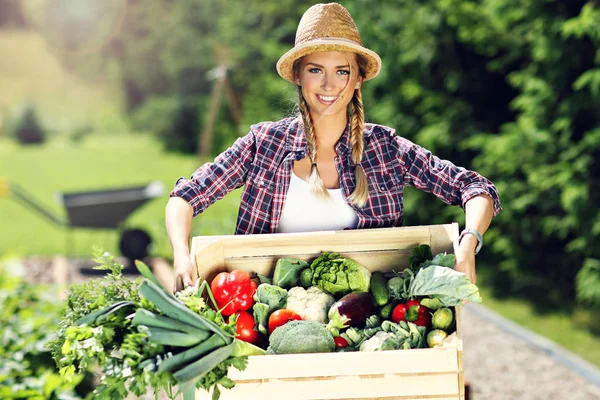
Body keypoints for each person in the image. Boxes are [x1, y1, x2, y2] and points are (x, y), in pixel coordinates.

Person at [166, 2, 501, 293]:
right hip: (264, 329)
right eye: (316, 70)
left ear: (357, 79)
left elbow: (476, 188)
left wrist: (468, 245)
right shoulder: (263, 145)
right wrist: (182, 255)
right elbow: (185, 197)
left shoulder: (385, 151)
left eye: (342, 71)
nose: (329, 85)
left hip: (363, 330)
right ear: (298, 75)